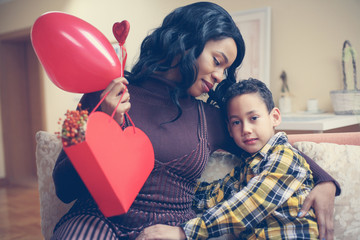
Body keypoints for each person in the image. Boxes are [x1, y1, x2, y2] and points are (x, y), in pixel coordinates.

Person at [51, 2, 339, 240]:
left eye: (226, 69)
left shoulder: (211, 118)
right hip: (94, 220)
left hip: (171, 231)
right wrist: (101, 120)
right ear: (186, 42)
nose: (219, 76)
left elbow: (274, 148)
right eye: (217, 61)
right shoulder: (102, 91)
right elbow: (63, 189)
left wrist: (325, 182)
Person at [138, 78, 320, 239]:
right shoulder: (245, 168)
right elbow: (210, 197)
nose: (246, 129)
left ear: (275, 117)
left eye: (254, 118)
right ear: (229, 129)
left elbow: (246, 207)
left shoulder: (285, 158)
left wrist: (183, 232)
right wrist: (166, 186)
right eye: (236, 122)